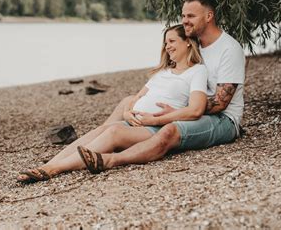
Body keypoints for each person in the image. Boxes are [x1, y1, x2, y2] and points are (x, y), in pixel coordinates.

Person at [76, 0, 246, 172]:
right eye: (183, 15)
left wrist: (178, 112)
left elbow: (220, 103)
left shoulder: (229, 49)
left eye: (191, 16)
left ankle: (111, 160)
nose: (185, 20)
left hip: (223, 120)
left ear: (209, 16)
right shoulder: (197, 46)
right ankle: (83, 149)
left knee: (169, 130)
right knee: (127, 102)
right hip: (190, 110)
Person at [17, 24, 208, 182]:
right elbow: (136, 98)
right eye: (166, 43)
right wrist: (126, 113)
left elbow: (195, 109)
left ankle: (56, 169)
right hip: (134, 122)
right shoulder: (163, 73)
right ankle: (47, 165)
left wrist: (160, 118)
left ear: (188, 43)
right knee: (102, 129)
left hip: (155, 128)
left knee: (113, 132)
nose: (167, 46)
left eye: (172, 41)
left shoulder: (196, 71)